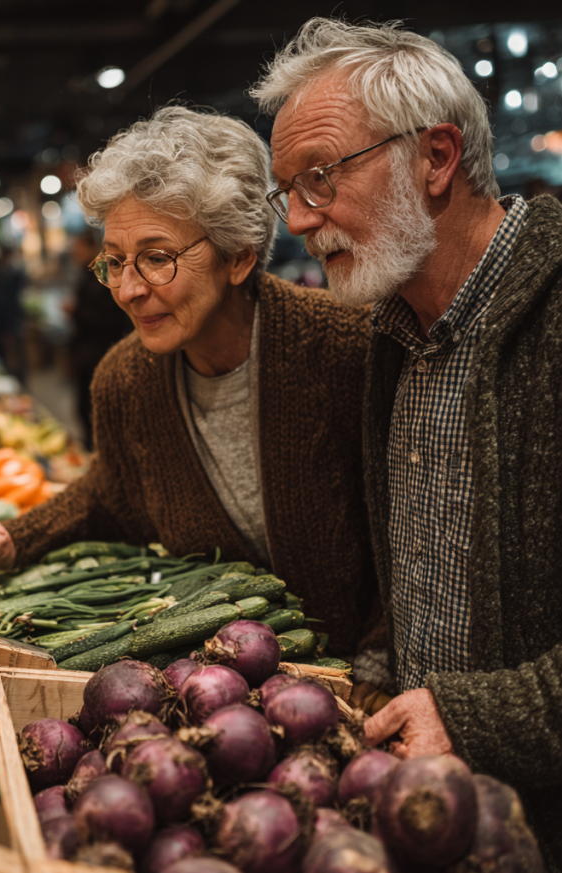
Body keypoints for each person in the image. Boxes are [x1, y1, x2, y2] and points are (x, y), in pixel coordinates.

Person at [253, 17, 562, 867]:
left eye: (318, 178)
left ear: (435, 157)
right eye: (286, 191)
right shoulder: (390, 334)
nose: (298, 221)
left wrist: (470, 716)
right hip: (436, 819)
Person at [0, 105, 378, 656]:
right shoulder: (124, 381)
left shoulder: (345, 347)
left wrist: (379, 661)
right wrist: (17, 538)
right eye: (114, 262)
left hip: (371, 685)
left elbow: (415, 530)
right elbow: (112, 491)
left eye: (155, 258)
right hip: (229, 691)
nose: (127, 290)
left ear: (239, 257)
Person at [66, 229, 132, 449]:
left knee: (97, 411)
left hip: (99, 352)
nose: (130, 292)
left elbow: (108, 318)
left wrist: (76, 312)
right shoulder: (88, 275)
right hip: (89, 353)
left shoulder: (102, 279)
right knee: (85, 409)